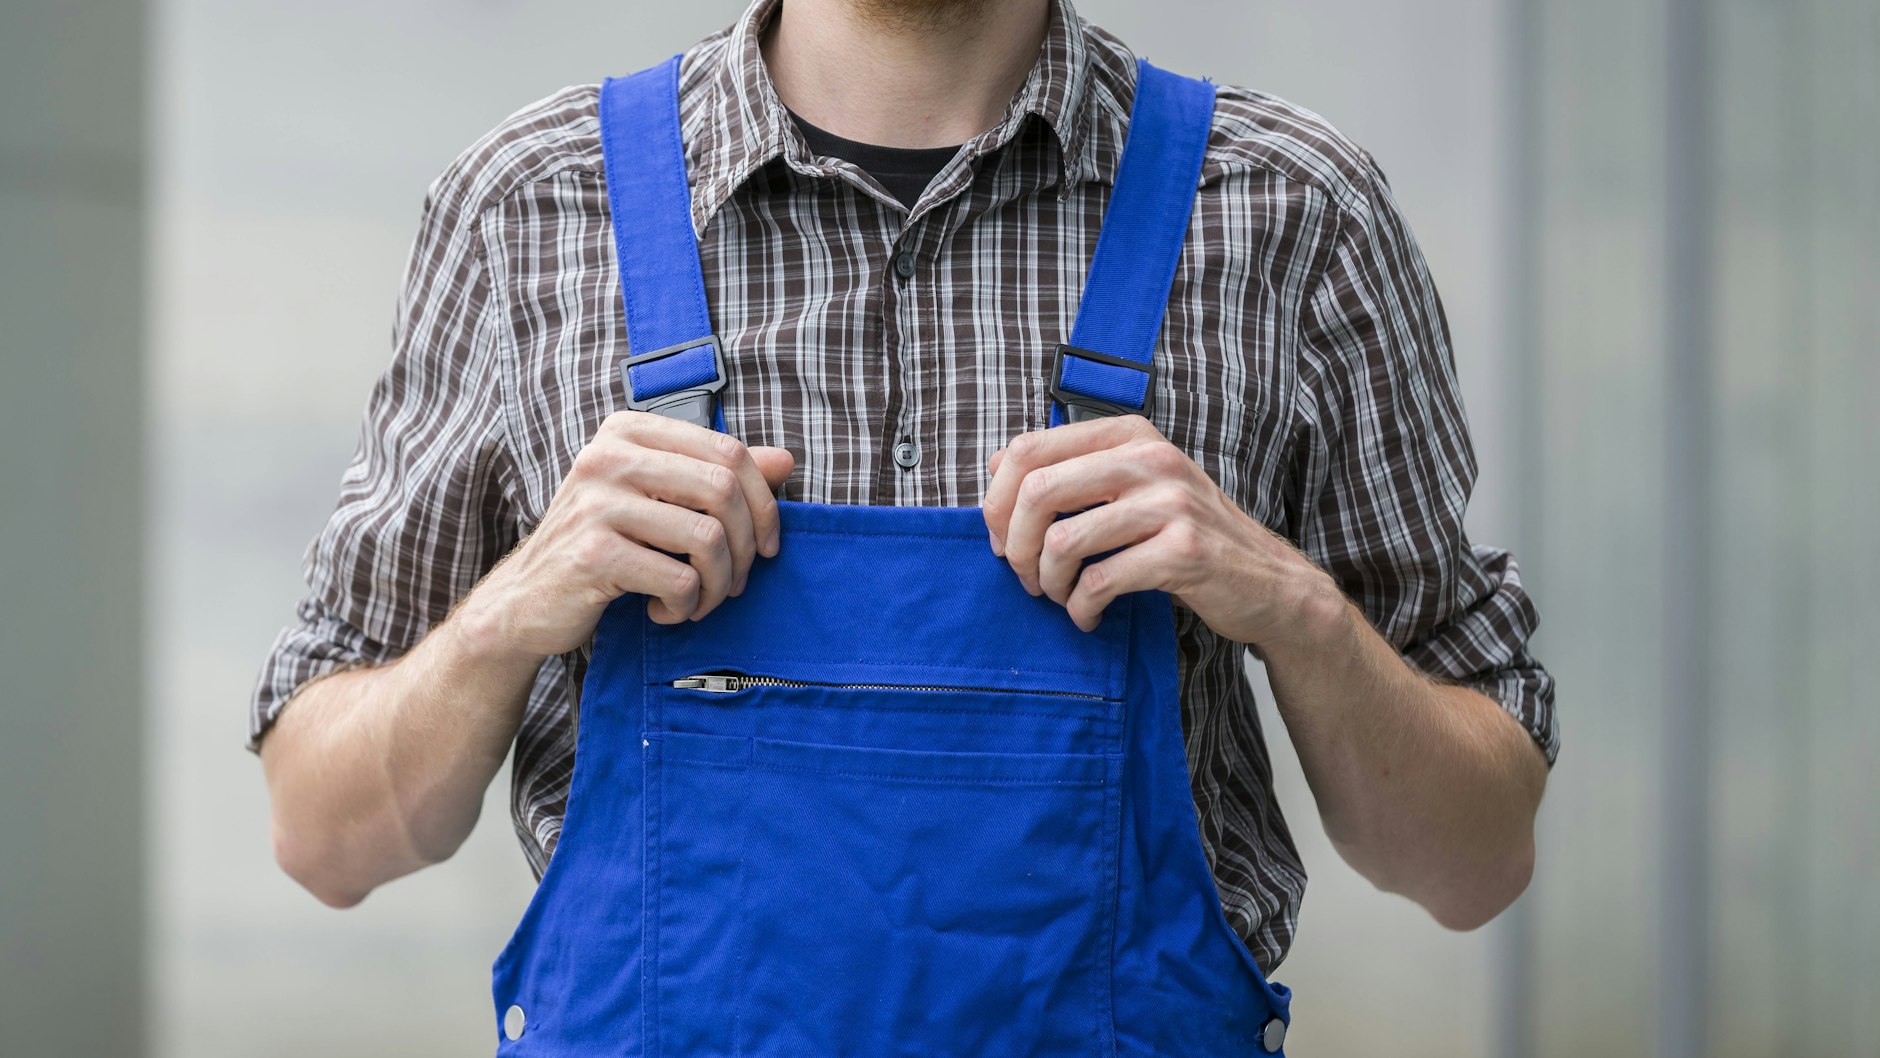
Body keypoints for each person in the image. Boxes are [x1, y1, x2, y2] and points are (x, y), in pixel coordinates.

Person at [250, 0, 1556, 1048]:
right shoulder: (526, 213)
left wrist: (1291, 604)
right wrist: (513, 608)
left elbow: (1476, 859)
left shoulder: (1294, 216)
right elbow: (324, 834)